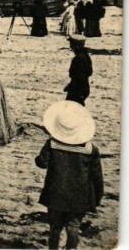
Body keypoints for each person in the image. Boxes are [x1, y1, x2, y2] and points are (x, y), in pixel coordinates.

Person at [35, 101, 103, 249]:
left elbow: (41, 162)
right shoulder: (91, 149)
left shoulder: (52, 145)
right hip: (79, 195)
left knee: (55, 227)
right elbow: (97, 177)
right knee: (73, 227)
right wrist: (97, 197)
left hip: (56, 193)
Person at [65, 35, 92, 106]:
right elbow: (89, 72)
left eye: (72, 44)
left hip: (77, 89)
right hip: (84, 88)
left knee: (72, 109)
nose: (71, 47)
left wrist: (71, 86)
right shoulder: (86, 56)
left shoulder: (77, 59)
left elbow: (76, 76)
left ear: (77, 45)